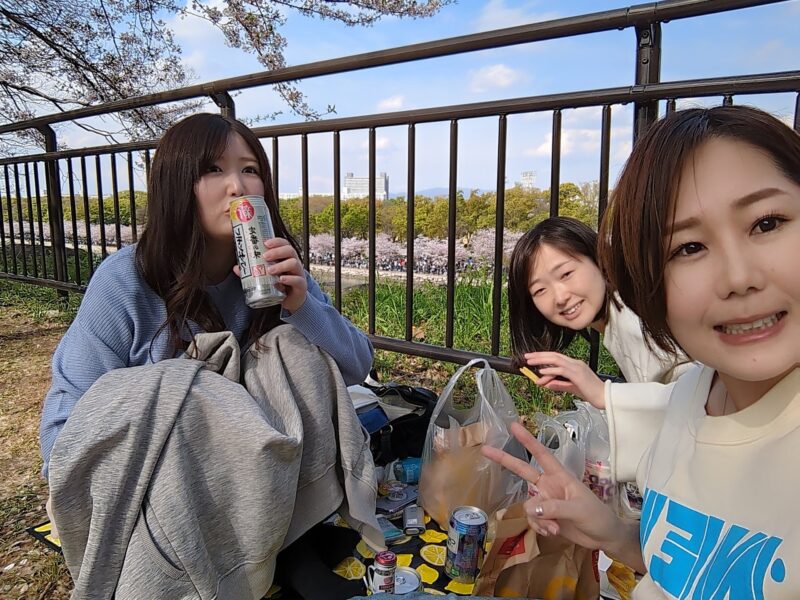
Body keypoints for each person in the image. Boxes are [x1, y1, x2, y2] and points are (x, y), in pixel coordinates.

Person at [40, 113, 379, 599]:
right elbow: (65, 425)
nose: (238, 186)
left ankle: (291, 543)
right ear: (176, 186)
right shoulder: (126, 279)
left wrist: (302, 307)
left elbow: (358, 366)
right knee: (186, 386)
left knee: (292, 348)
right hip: (162, 480)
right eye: (213, 170)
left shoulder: (276, 268)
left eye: (250, 169)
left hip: (255, 472)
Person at [485, 105, 800, 597]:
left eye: (766, 223)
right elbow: (693, 565)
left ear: (606, 259)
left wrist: (600, 392)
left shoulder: (636, 324)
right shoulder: (693, 396)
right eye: (689, 248)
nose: (739, 278)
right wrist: (611, 533)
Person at [508, 216, 691, 408]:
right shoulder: (622, 314)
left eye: (566, 274)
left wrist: (605, 394)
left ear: (598, 258)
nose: (560, 297)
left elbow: (698, 399)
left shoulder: (634, 321)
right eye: (540, 290)